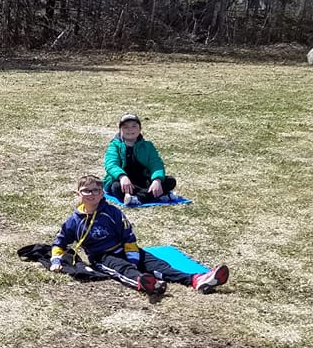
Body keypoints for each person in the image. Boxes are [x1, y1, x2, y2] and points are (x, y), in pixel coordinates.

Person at [47, 175, 228, 294]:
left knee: (159, 265)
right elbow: (60, 243)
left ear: (102, 193)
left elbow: (128, 236)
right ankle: (145, 283)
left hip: (127, 249)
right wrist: (55, 261)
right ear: (78, 193)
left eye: (96, 190)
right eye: (86, 191)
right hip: (103, 257)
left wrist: (133, 256)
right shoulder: (74, 221)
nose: (91, 194)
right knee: (124, 270)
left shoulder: (113, 213)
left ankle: (196, 279)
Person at [103, 114, 177, 205]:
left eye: (134, 126)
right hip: (124, 181)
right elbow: (111, 164)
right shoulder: (114, 146)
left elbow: (156, 163)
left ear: (140, 129)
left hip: (143, 180)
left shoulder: (148, 146)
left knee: (170, 181)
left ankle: (138, 198)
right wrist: (122, 176)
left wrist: (157, 180)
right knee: (116, 187)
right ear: (120, 130)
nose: (130, 129)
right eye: (126, 127)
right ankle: (159, 194)